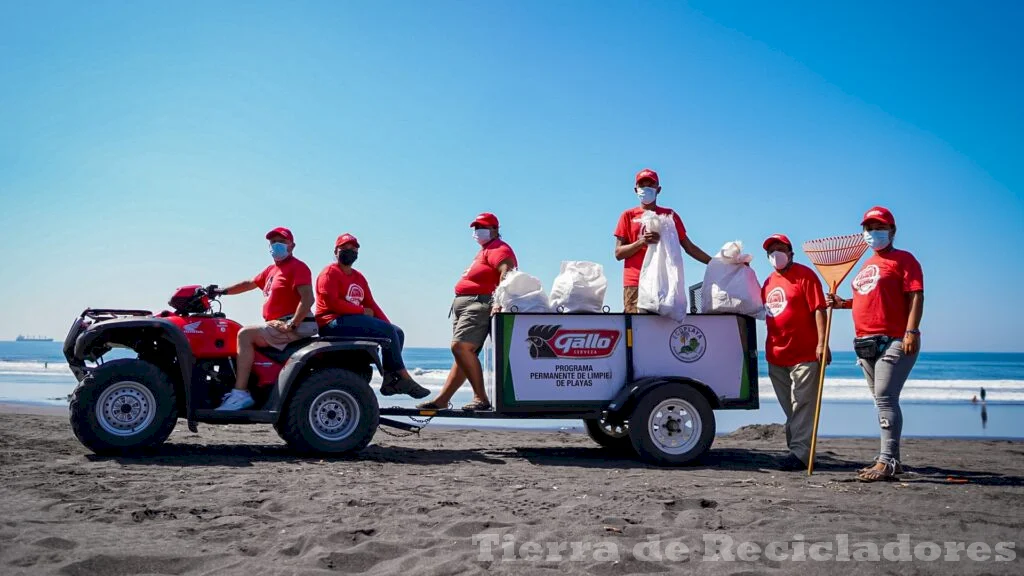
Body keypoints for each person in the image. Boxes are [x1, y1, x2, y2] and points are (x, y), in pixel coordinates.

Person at [827, 206, 924, 481]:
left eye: (879, 228)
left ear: (892, 231)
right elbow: (866, 299)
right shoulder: (866, 265)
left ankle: (887, 461)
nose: (873, 233)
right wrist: (842, 303)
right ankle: (892, 459)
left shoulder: (904, 260)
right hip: (865, 342)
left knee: (885, 398)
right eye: (868, 228)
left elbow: (916, 295)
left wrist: (911, 331)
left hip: (894, 338)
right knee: (880, 401)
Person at [417, 213, 517, 411]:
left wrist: (499, 300)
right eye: (476, 227)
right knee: (463, 354)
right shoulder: (484, 250)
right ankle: (443, 400)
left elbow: (508, 270)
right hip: (466, 305)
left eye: (483, 226)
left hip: (479, 304)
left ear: (495, 229)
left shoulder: (499, 248)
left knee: (461, 348)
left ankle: (481, 398)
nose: (478, 231)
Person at [315, 233, 429, 398]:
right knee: (388, 332)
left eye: (353, 248)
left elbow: (371, 305)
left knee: (396, 333)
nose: (349, 250)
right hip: (332, 322)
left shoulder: (359, 277)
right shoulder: (329, 273)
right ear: (335, 251)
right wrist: (361, 311)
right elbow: (333, 303)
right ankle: (403, 377)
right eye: (344, 248)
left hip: (353, 321)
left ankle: (390, 379)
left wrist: (387, 326)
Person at [216, 227, 316, 410]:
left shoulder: (298, 267)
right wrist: (221, 291)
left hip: (291, 325)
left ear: (292, 246)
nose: (276, 245)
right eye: (273, 242)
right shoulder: (271, 270)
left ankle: (240, 393)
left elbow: (308, 299)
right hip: (275, 324)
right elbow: (249, 284)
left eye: (281, 242)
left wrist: (292, 324)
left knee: (245, 334)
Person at [761, 233, 829, 471]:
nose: (775, 254)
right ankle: (798, 448)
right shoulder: (768, 282)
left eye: (780, 248)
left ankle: (800, 454)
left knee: (802, 404)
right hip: (776, 355)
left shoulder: (805, 275)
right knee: (791, 406)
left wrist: (822, 343)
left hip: (805, 353)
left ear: (790, 253)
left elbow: (819, 309)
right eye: (771, 251)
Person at [614, 168, 711, 313]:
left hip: (665, 281)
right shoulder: (627, 216)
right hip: (635, 283)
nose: (646, 189)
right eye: (642, 186)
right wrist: (642, 242)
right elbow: (618, 253)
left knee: (665, 329)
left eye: (650, 185)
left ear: (658, 189)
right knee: (636, 330)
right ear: (636, 190)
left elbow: (689, 248)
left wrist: (718, 263)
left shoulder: (669, 216)